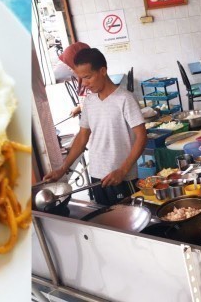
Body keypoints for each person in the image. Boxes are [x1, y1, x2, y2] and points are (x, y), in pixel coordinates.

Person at [42, 48, 147, 205]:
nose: (84, 84)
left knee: (129, 225)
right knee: (104, 223)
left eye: (88, 77)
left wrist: (123, 170)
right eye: (81, 79)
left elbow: (141, 136)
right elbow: (82, 136)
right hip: (97, 177)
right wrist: (62, 169)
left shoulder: (125, 99)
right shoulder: (90, 102)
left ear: (103, 71)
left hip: (120, 178)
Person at [54, 42, 90, 117]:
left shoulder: (91, 84)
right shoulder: (82, 79)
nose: (67, 66)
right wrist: (80, 107)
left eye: (69, 62)